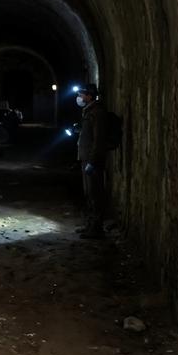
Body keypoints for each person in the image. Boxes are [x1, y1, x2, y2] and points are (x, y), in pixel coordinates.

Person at [75, 83, 108, 239]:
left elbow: (99, 140)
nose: (79, 97)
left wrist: (93, 161)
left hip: (92, 160)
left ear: (89, 96)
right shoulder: (89, 112)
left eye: (82, 94)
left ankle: (96, 228)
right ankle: (90, 225)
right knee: (89, 193)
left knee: (95, 193)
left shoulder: (97, 113)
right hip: (86, 158)